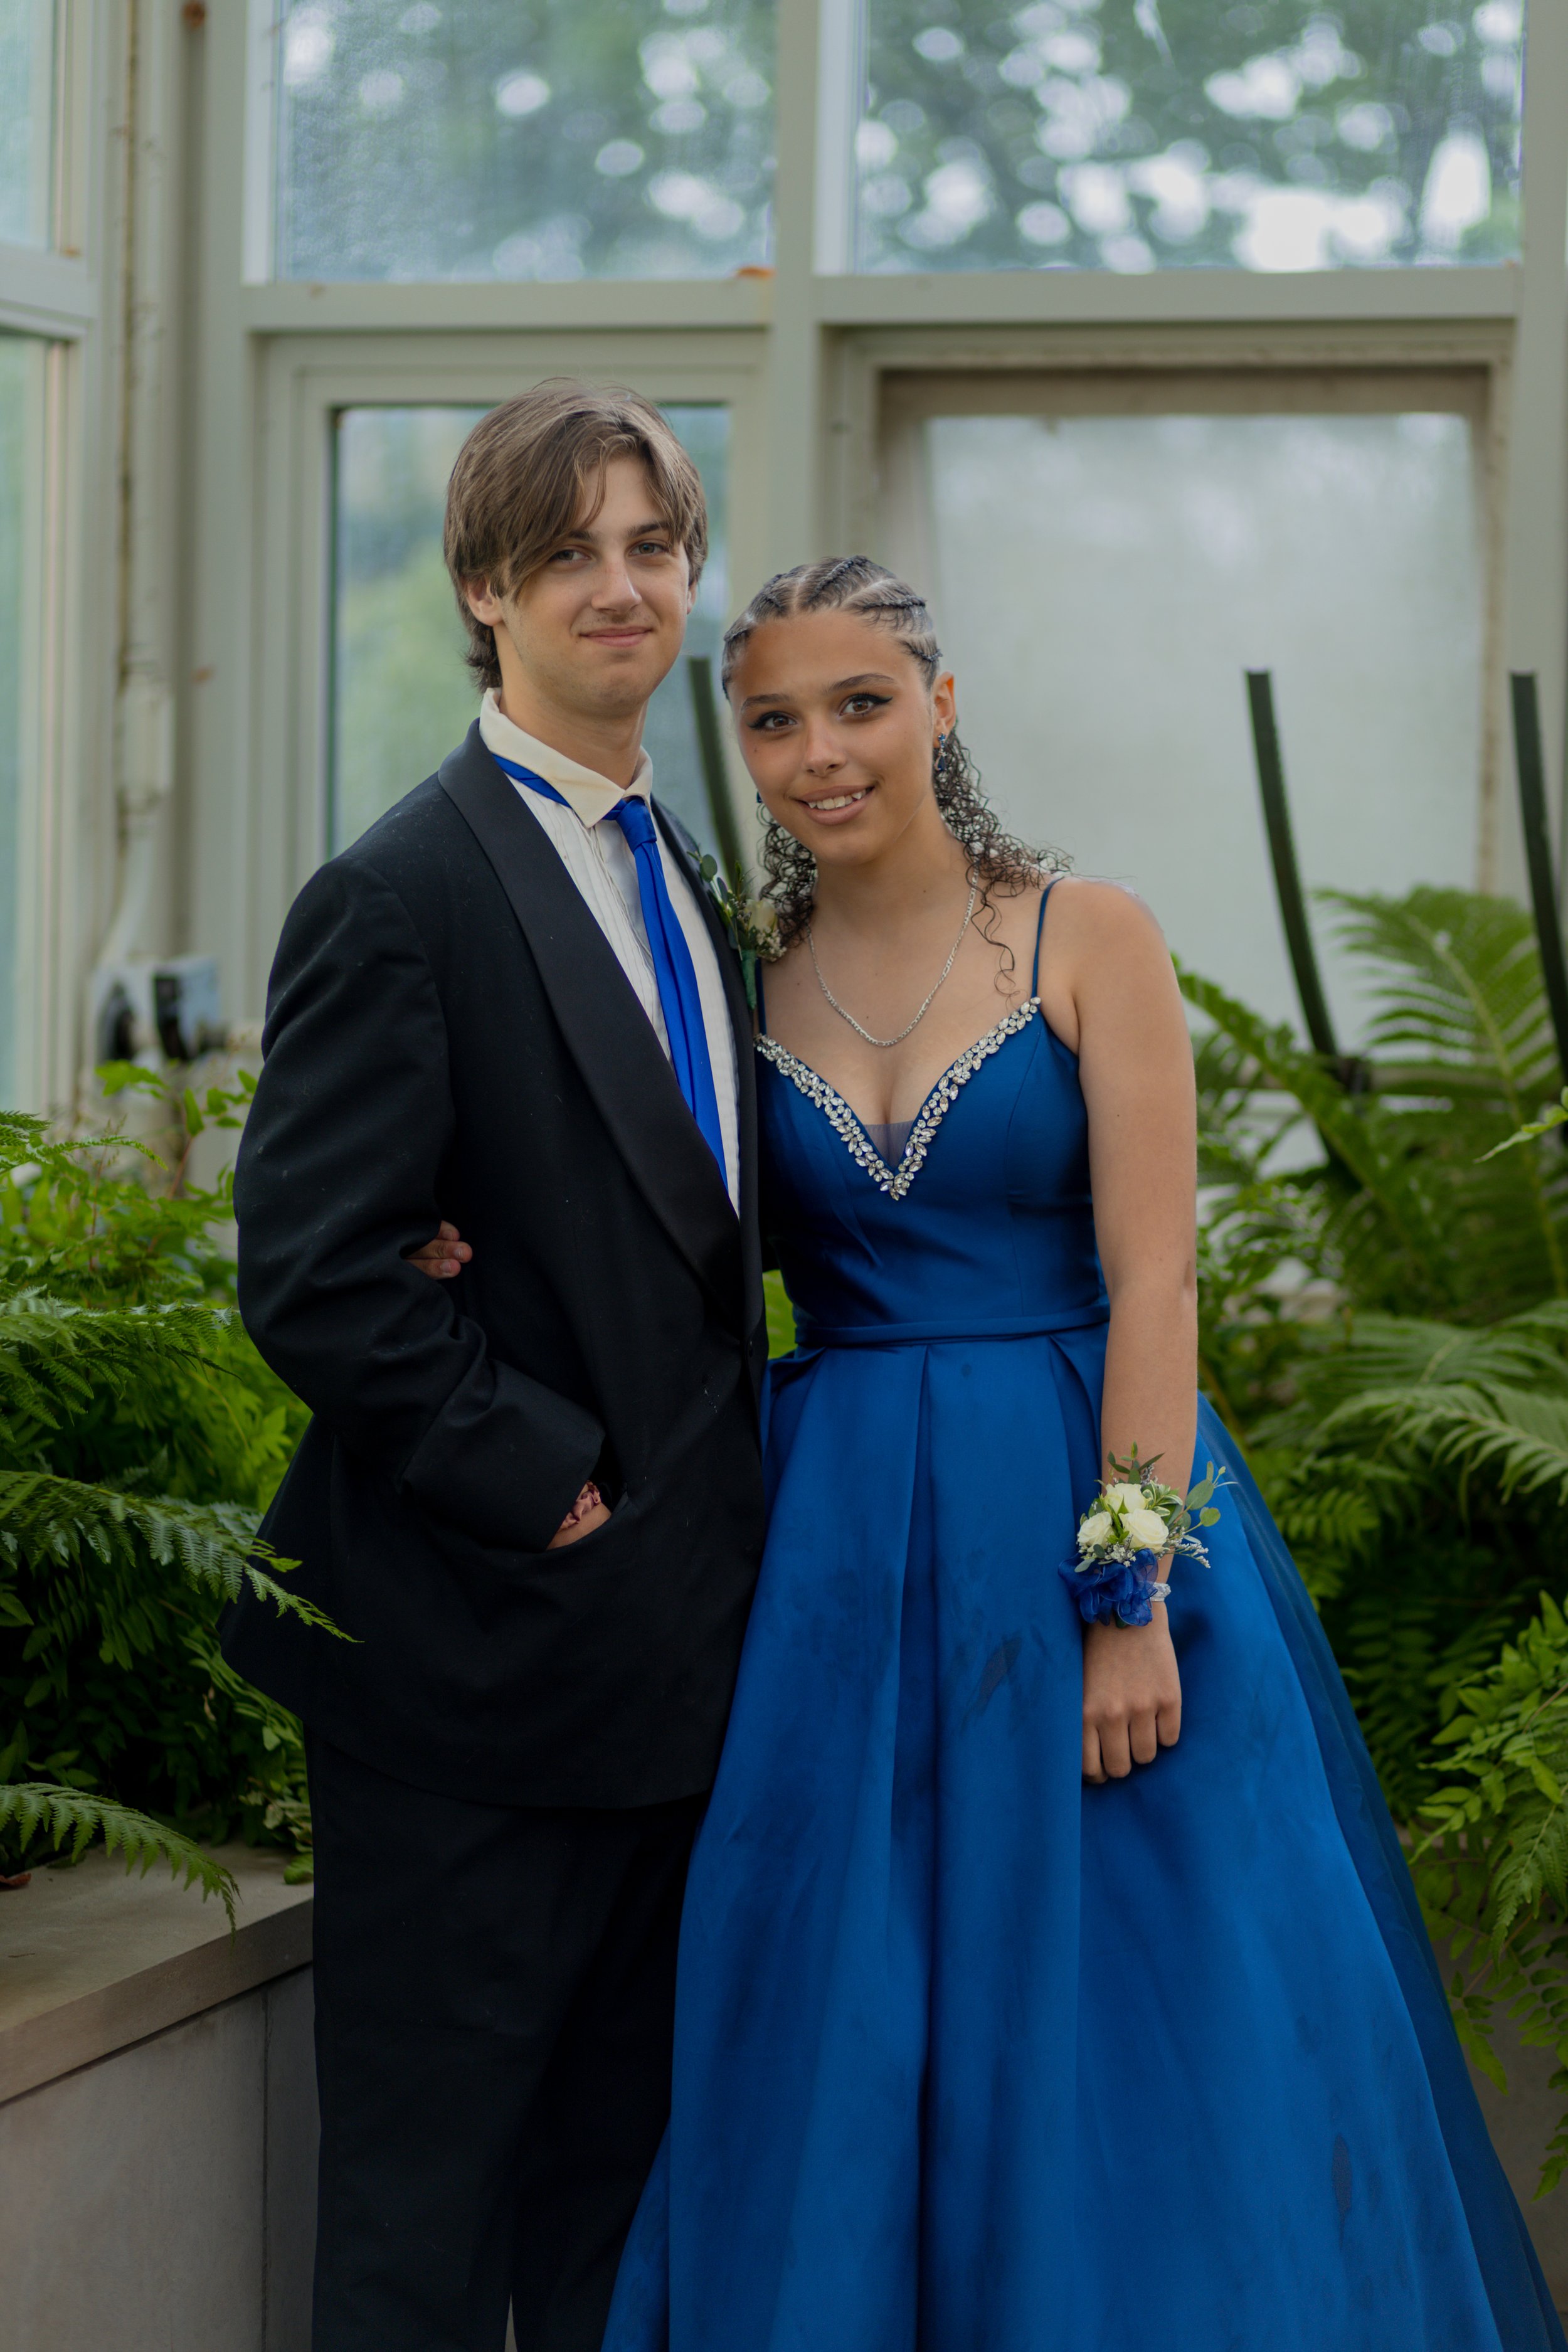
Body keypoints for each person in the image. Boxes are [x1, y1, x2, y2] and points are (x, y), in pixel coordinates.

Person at [588, 558, 1562, 2349]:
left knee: (1145, 2013)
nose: (820, 754)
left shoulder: (1081, 934)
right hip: (838, 1562)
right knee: (841, 1991)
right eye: (775, 719)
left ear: (938, 706)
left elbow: (1156, 1278)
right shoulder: (734, 983)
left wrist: (1130, 1600)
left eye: (859, 703)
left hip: (1081, 1501)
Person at [223, 381, 766, 2352]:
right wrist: (546, 1477)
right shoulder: (399, 892)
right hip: (472, 1674)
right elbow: (313, 1270)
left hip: (679, 1673)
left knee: (616, 2213)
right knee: (423, 2226)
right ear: (483, 590)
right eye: (568, 558)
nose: (620, 590)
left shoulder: (684, 871)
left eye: (651, 549)